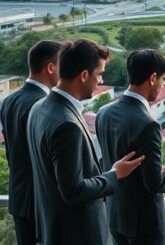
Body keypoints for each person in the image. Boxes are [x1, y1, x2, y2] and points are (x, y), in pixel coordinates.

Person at [27, 39, 146, 245]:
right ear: (83, 75)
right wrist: (114, 174)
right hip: (77, 234)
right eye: (99, 74)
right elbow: (73, 191)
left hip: (51, 229)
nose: (101, 80)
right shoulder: (66, 124)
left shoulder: (39, 108)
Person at [96, 49, 165, 245]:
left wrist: (151, 169)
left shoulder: (104, 112)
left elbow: (109, 160)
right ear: (153, 78)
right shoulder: (147, 124)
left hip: (116, 215)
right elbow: (154, 183)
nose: (163, 85)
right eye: (163, 79)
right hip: (145, 225)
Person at [0, 39, 64, 245]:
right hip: (41, 203)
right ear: (51, 67)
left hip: (19, 197)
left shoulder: (9, 100)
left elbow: (11, 151)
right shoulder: (43, 105)